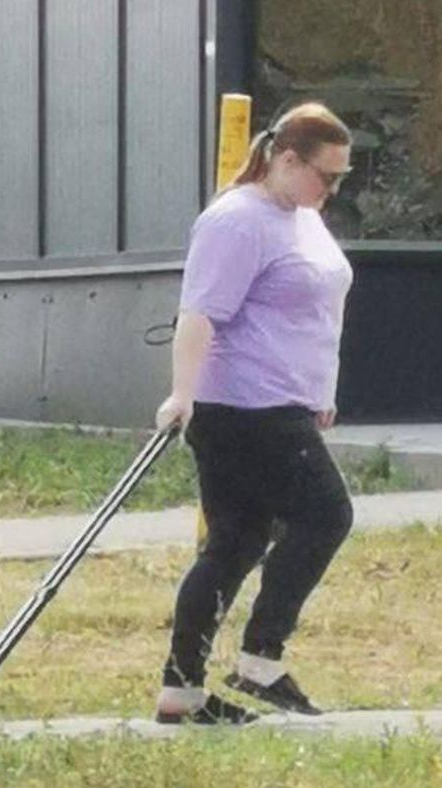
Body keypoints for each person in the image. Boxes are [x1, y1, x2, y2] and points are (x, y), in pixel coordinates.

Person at [153, 102, 354, 725]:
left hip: (285, 402)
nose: (334, 189)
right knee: (327, 516)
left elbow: (317, 309)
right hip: (242, 406)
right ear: (286, 159)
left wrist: (322, 390)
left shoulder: (303, 217)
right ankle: (260, 659)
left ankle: (181, 691)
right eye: (328, 176)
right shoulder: (237, 220)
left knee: (235, 545)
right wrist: (181, 395)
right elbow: (199, 313)